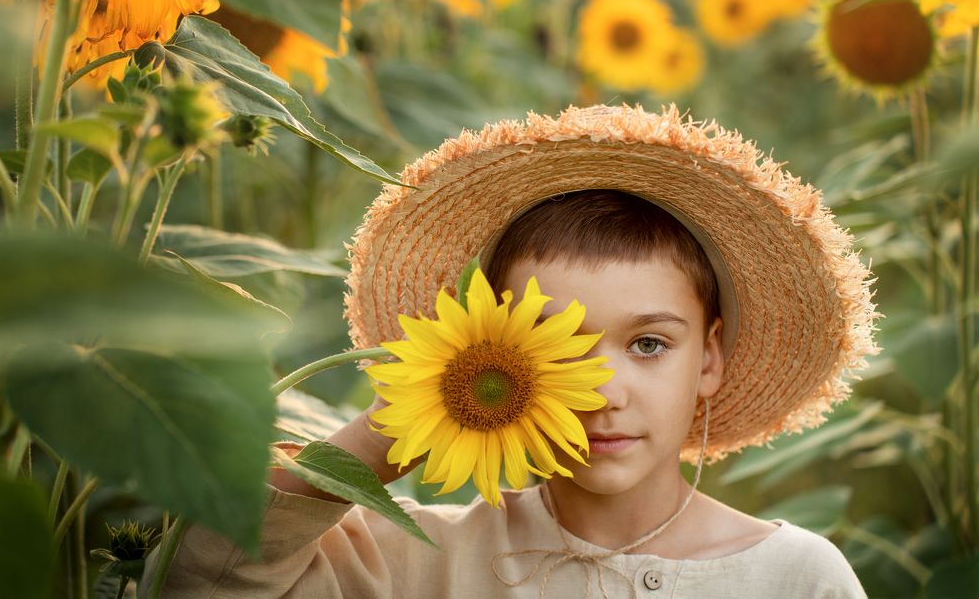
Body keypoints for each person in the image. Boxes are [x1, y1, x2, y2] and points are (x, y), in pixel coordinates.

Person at [141, 104, 877, 597]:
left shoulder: (793, 577)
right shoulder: (415, 560)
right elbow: (200, 574)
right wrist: (411, 416)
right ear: (495, 350)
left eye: (648, 343)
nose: (603, 392)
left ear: (709, 359)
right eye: (557, 349)